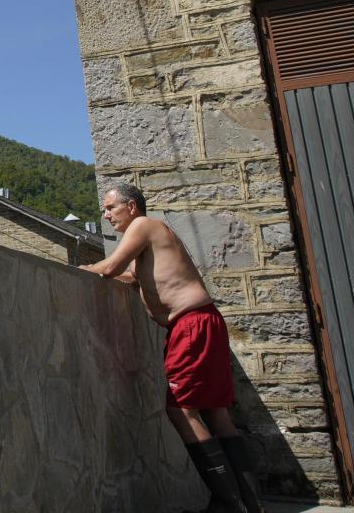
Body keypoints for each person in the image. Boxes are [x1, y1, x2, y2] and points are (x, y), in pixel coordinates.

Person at [83, 181, 262, 513]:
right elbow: (135, 278)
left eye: (110, 208)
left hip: (191, 325)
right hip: (202, 321)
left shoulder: (143, 225)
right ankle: (249, 504)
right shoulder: (147, 235)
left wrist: (83, 269)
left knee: (181, 409)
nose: (106, 214)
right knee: (215, 412)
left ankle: (228, 503)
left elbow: (110, 268)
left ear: (131, 207)